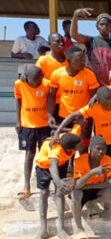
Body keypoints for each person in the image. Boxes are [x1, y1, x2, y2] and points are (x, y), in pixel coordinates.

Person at [51, 86, 111, 217]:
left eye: (110, 104)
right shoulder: (93, 107)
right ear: (98, 102)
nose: (108, 107)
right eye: (105, 105)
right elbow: (72, 116)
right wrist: (57, 132)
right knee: (103, 173)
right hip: (103, 145)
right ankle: (102, 204)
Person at [35, 133, 83, 239]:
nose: (82, 144)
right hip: (44, 167)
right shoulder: (56, 150)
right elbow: (52, 167)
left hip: (61, 164)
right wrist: (58, 182)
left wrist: (57, 132)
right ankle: (43, 229)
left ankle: (61, 230)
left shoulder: (70, 139)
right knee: (43, 193)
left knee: (59, 194)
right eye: (79, 144)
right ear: (71, 148)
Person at [15, 66, 51, 200]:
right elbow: (18, 101)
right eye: (32, 82)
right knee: (29, 155)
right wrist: (18, 121)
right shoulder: (20, 84)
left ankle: (46, 185)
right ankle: (27, 186)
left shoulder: (47, 85)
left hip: (44, 125)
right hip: (27, 125)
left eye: (38, 82)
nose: (35, 85)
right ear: (27, 78)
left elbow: (51, 102)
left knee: (45, 156)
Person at [71, 135, 111, 237]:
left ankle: (94, 203)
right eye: (98, 149)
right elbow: (77, 185)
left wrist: (89, 186)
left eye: (104, 149)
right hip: (83, 191)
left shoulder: (106, 159)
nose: (101, 152)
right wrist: (91, 172)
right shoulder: (80, 160)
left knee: (110, 192)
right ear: (91, 148)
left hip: (94, 189)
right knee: (75, 194)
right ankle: (79, 228)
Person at [48, 46, 99, 130]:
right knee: (64, 141)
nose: (83, 62)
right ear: (68, 60)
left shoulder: (89, 74)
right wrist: (50, 115)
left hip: (83, 117)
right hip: (63, 117)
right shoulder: (57, 74)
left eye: (84, 59)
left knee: (82, 143)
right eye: (79, 60)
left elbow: (93, 98)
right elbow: (51, 95)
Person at [70, 8, 111, 85]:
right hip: (91, 84)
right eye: (101, 24)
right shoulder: (91, 41)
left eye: (107, 24)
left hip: (108, 86)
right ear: (97, 27)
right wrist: (75, 16)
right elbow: (74, 35)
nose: (104, 26)